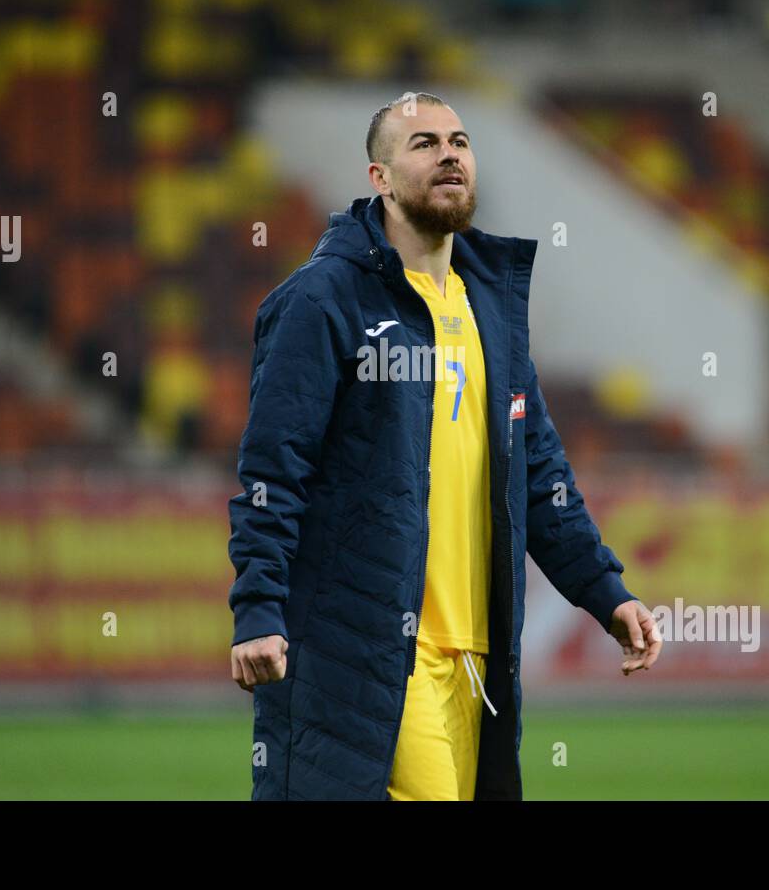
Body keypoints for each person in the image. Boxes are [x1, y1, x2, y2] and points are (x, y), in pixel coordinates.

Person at [227, 91, 662, 800]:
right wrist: (258, 608)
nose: (450, 153)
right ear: (380, 178)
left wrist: (607, 593)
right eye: (424, 143)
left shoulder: (487, 306)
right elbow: (274, 470)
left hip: (479, 664)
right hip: (366, 656)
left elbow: (539, 474)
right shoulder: (325, 301)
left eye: (459, 140)